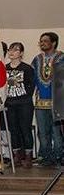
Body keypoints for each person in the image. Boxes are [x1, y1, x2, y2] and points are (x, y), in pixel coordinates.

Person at [31, 32, 64, 166]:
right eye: (41, 41)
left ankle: (59, 156)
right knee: (43, 132)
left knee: (57, 133)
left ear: (54, 43)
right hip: (40, 102)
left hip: (58, 102)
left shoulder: (61, 58)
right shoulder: (37, 59)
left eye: (45, 41)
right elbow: (32, 80)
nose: (42, 43)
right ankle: (45, 157)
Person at [5, 42, 35, 168]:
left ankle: (28, 156)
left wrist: (23, 97)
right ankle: (16, 156)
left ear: (21, 53)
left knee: (25, 129)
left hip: (24, 104)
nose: (12, 52)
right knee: (13, 130)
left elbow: (31, 86)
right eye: (10, 50)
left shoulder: (27, 68)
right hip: (10, 103)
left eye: (16, 50)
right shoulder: (4, 68)